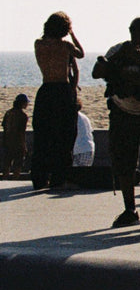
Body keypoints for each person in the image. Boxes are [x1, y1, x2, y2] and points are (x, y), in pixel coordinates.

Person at [93, 17, 140, 227]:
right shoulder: (118, 50)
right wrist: (117, 61)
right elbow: (97, 72)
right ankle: (130, 209)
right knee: (124, 162)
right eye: (136, 31)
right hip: (122, 111)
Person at [31, 12, 84, 190]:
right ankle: (58, 177)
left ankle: (39, 178)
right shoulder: (66, 45)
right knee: (64, 136)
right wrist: (73, 35)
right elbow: (81, 54)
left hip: (46, 90)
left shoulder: (38, 44)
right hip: (62, 91)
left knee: (42, 135)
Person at [4, 94, 30, 177]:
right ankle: (15, 177)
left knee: (7, 162)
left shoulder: (8, 113)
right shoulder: (23, 116)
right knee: (18, 164)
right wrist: (24, 145)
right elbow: (21, 132)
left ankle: (5, 177)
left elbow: (5, 126)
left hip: (7, 141)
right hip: (17, 143)